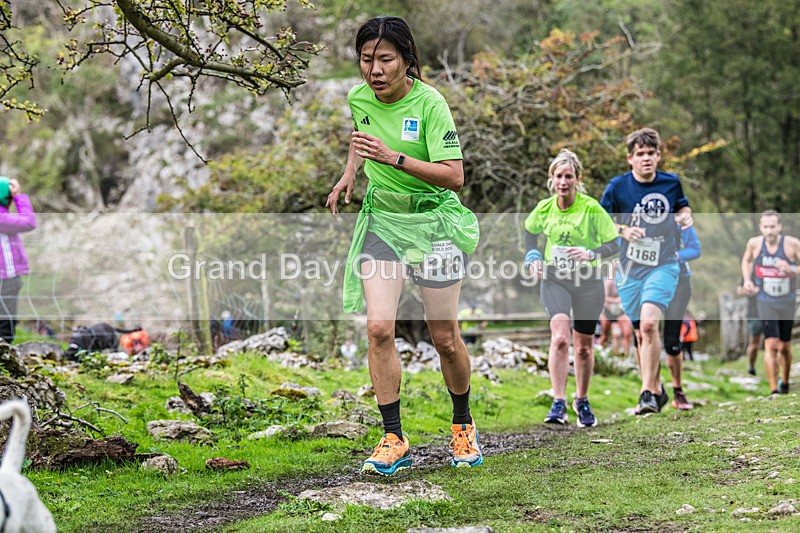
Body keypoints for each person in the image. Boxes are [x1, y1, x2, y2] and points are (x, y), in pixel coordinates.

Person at [326, 16, 482, 475]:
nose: (374, 70)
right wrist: (350, 171)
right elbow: (362, 136)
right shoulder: (358, 97)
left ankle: (462, 424)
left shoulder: (431, 104)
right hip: (384, 223)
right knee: (378, 329)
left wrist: (395, 158)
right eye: (366, 60)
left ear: (406, 60)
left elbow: (455, 177)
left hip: (434, 223)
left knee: (445, 338)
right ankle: (393, 436)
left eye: (385, 60)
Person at [600, 128, 693, 414]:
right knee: (641, 333)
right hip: (630, 269)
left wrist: (685, 217)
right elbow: (600, 223)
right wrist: (623, 231)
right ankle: (656, 390)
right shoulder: (617, 187)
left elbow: (682, 208)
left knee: (651, 325)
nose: (646, 159)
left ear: (658, 156)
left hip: (663, 265)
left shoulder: (671, 183)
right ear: (630, 158)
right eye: (640, 154)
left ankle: (646, 394)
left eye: (651, 153)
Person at [524, 149, 619, 427]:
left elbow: (615, 243)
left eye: (568, 176)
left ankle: (582, 399)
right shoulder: (545, 207)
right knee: (560, 338)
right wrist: (532, 257)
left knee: (584, 348)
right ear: (551, 179)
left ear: (578, 178)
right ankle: (558, 400)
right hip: (555, 279)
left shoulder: (590, 208)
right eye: (558, 176)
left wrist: (591, 253)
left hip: (588, 283)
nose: (563, 181)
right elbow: (530, 234)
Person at [741, 210, 800, 395]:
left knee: (784, 346)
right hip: (765, 300)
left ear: (779, 226)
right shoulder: (754, 244)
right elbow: (746, 260)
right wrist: (747, 280)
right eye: (765, 227)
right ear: (760, 227)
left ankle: (786, 380)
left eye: (772, 227)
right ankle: (773, 389)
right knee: (771, 344)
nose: (769, 231)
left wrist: (791, 268)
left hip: (787, 301)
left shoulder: (791, 244)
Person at [662, 224, 701, 410]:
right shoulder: (635, 211)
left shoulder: (677, 215)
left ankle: (677, 390)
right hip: (643, 277)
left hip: (679, 281)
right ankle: (651, 390)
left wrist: (675, 256)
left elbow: (694, 249)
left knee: (671, 339)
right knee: (645, 331)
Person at [0, 177, 36, 344]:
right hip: (5, 278)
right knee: (6, 324)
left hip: (7, 279)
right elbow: (28, 222)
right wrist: (18, 196)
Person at [597, 270, 634, 356]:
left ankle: (625, 357)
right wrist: (616, 301)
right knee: (604, 336)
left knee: (625, 334)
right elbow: (603, 297)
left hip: (621, 312)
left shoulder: (626, 282)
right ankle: (600, 355)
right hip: (608, 311)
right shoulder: (609, 283)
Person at [736, 272, 762, 375]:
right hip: (754, 313)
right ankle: (751, 366)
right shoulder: (751, 273)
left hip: (773, 312)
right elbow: (739, 290)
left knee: (774, 343)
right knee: (754, 344)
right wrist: (751, 291)